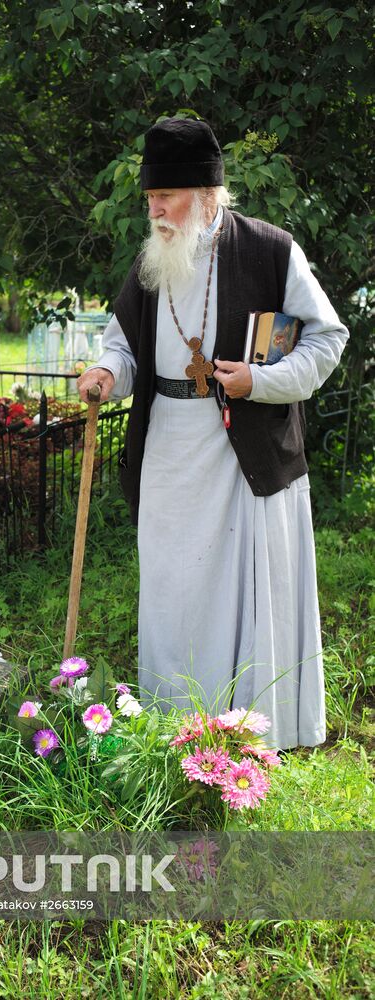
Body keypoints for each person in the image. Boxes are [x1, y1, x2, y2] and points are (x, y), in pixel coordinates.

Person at [77, 117, 348, 750]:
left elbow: (326, 339)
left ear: (205, 195)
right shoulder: (151, 261)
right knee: (173, 587)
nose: (155, 211)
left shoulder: (270, 250)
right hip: (168, 449)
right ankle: (175, 724)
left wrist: (261, 380)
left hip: (244, 450)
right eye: (150, 198)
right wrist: (105, 373)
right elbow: (125, 348)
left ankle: (251, 727)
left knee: (243, 590)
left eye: (165, 197)